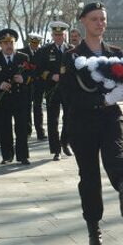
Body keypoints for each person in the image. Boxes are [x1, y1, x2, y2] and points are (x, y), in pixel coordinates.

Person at [61, 2, 123, 245]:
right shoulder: (72, 56)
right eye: (95, 19)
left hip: (110, 119)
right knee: (90, 178)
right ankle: (94, 229)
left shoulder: (115, 53)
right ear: (83, 21)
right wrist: (103, 99)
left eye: (103, 19)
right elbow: (68, 95)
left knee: (117, 156)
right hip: (82, 122)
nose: (100, 23)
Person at [0, 28, 32, 165]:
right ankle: (7, 155)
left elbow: (32, 75)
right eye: (5, 43)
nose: (9, 46)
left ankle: (23, 156)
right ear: (0, 45)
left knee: (22, 128)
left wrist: (23, 79)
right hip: (2, 100)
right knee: (5, 129)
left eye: (11, 42)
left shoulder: (23, 58)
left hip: (20, 99)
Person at [36, 21, 73, 161]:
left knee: (69, 118)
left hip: (68, 90)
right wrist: (51, 76)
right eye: (56, 34)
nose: (59, 37)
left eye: (61, 34)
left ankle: (65, 142)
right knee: (53, 120)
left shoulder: (71, 49)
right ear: (52, 35)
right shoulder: (45, 50)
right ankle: (56, 149)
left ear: (65, 35)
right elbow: (39, 70)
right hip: (52, 90)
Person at [18, 33, 47, 140]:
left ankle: (40, 132)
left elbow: (43, 67)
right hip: (26, 84)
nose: (35, 45)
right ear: (30, 42)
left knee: (38, 107)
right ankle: (27, 131)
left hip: (39, 84)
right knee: (26, 107)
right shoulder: (22, 52)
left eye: (37, 43)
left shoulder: (43, 52)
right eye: (33, 43)